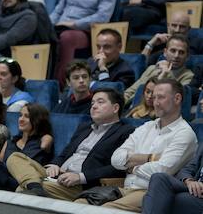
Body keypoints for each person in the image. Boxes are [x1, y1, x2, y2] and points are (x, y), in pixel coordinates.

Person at [77, 79, 197, 210]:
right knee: (79, 204)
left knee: (104, 211)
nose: (155, 102)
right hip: (124, 188)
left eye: (161, 97)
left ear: (177, 98)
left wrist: (131, 167)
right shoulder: (147, 127)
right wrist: (148, 158)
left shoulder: (184, 134)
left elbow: (161, 171)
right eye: (154, 97)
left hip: (150, 192)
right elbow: (116, 158)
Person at [6, 88, 135, 200]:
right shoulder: (84, 127)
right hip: (58, 175)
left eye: (100, 102)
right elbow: (65, 153)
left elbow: (117, 167)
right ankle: (35, 186)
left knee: (21, 189)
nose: (94, 106)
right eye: (92, 103)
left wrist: (81, 177)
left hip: (80, 184)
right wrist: (55, 164)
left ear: (115, 108)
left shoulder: (125, 131)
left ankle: (34, 186)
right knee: (15, 157)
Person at [49, 0, 117, 83]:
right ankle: (41, 79)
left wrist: (74, 24)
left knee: (67, 37)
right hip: (61, 26)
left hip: (84, 31)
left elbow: (102, 17)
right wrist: (49, 25)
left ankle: (61, 83)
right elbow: (58, 9)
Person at [0, 103, 54, 191]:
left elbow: (45, 146)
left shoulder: (44, 139)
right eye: (20, 115)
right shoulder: (11, 142)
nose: (21, 119)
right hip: (6, 179)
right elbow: (1, 162)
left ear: (37, 120)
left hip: (24, 181)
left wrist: (45, 135)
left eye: (27, 116)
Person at [124, 35, 194, 103]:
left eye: (181, 52)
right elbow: (130, 92)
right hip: (132, 108)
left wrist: (164, 75)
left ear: (187, 56)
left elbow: (170, 101)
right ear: (165, 52)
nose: (176, 56)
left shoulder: (188, 76)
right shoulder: (152, 69)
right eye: (173, 51)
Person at [142, 140, 203, 214]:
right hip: (193, 186)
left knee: (159, 198)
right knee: (159, 178)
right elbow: (187, 169)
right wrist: (188, 180)